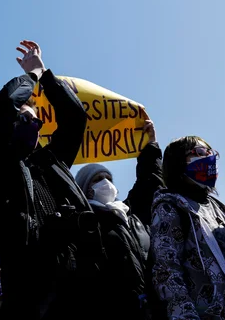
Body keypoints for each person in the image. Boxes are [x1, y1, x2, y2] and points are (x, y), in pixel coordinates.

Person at [0, 41, 104, 319]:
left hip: (82, 291)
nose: (36, 125)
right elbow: (5, 104)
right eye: (26, 118)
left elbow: (75, 117)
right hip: (31, 297)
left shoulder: (52, 162)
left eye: (38, 122)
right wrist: (32, 77)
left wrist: (47, 75)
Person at [74, 119, 165, 320]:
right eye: (97, 180)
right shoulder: (82, 226)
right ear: (83, 189)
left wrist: (150, 144)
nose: (105, 183)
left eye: (108, 178)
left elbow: (150, 182)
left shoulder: (131, 215)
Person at [150, 136, 225, 319]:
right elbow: (167, 270)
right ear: (178, 161)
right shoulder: (170, 207)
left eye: (211, 153)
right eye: (200, 152)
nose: (209, 157)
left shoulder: (223, 211)